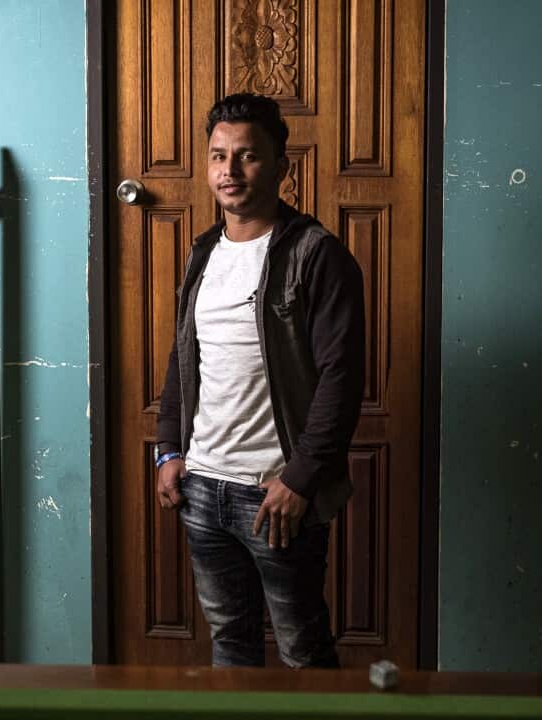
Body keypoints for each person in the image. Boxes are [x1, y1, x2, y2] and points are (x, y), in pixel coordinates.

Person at [153, 92, 365, 668]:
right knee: (230, 646)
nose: (230, 170)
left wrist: (299, 480)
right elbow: (183, 358)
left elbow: (341, 380)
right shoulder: (202, 252)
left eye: (247, 156)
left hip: (274, 494)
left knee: (302, 648)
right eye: (219, 156)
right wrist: (168, 449)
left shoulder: (316, 255)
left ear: (280, 166)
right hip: (202, 486)